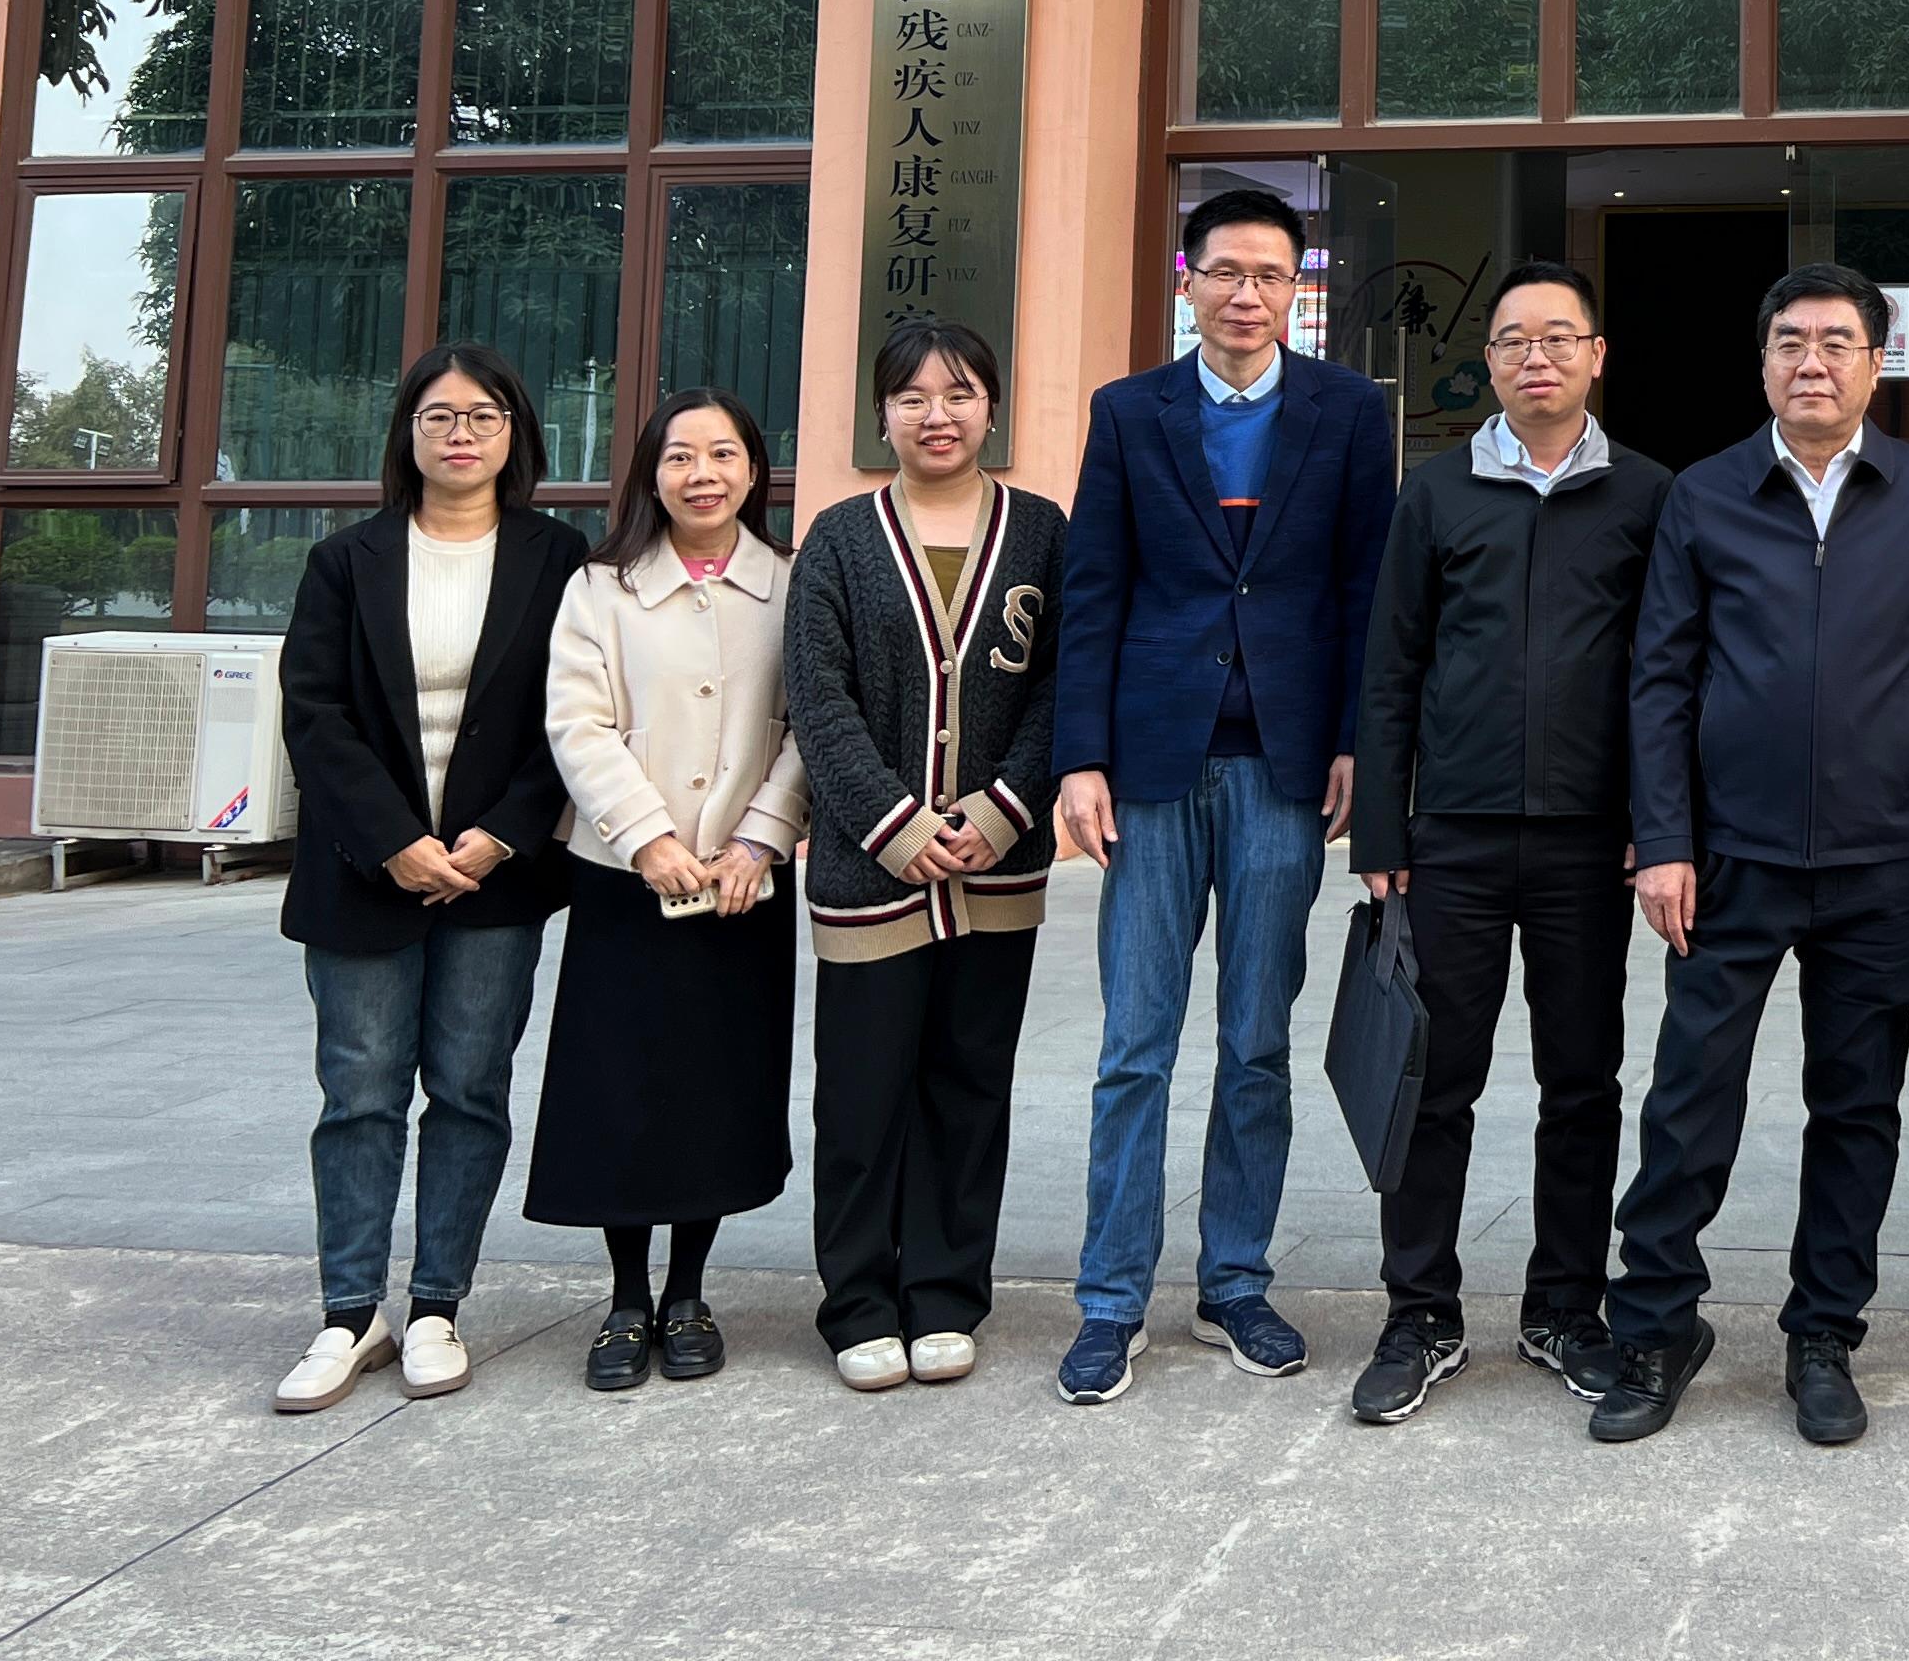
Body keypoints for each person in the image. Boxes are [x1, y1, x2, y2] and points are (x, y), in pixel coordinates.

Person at [1590, 264, 1909, 1449]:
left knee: (1857, 1107)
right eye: (1789, 343)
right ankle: (1656, 1326)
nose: (1811, 362)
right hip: (1731, 858)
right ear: (1762, 361)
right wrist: (1665, 842)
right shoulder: (1706, 494)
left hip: (1880, 863)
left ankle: (1824, 1334)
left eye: (1836, 342)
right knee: (1688, 1100)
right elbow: (1659, 678)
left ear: (1876, 360)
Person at [1052, 184, 1395, 1403]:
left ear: (1297, 290)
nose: (1248, 295)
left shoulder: (1349, 411)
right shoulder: (1129, 410)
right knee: (1134, 1045)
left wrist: (1357, 743)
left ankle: (1236, 1281)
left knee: (1256, 1041)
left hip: (1282, 769)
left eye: (1272, 276)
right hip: (1150, 767)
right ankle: (1110, 1300)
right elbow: (1094, 589)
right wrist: (1079, 758)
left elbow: (1367, 591)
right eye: (1227, 272)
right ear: (1188, 280)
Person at [1345, 259, 1672, 1424]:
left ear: (1597, 356)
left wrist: (1655, 823)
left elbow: (1665, 675)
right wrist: (1382, 828)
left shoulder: (1648, 495)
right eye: (1514, 340)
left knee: (1581, 1082)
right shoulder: (1436, 493)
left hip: (1589, 840)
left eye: (1559, 337)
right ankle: (1419, 1312)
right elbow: (1391, 667)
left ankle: (1565, 1309)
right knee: (1433, 1080)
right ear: (1487, 362)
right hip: (1454, 838)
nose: (1538, 356)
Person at [268, 347, 589, 1416]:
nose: (461, 433)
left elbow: (575, 714)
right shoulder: (345, 561)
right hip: (364, 873)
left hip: (496, 878)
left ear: (516, 435)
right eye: (440, 415)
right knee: (360, 1093)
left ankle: (438, 1306)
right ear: (407, 433)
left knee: (468, 1090)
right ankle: (349, 1313)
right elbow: (314, 715)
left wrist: (500, 837)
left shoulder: (559, 559)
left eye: (484, 416)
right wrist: (396, 841)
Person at [783, 320, 1065, 1394]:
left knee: (968, 1086)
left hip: (998, 866)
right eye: (911, 397)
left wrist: (1004, 808)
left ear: (993, 408)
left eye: (959, 394)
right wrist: (895, 823)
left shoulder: (1042, 534)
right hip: (870, 871)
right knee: (861, 1096)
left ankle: (946, 1293)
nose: (936, 415)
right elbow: (818, 700)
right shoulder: (839, 539)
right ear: (882, 415)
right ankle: (859, 1301)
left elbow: (1063, 684)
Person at [527, 388, 805, 1392]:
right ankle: (624, 1298)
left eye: (724, 454)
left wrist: (761, 839)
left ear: (754, 470)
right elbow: (578, 723)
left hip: (741, 885)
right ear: (652, 473)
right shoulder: (599, 588)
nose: (703, 474)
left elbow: (812, 724)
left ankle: (688, 1293)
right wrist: (645, 838)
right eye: (681, 456)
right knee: (621, 1088)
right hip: (625, 881)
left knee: (715, 1090)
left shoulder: (790, 583)